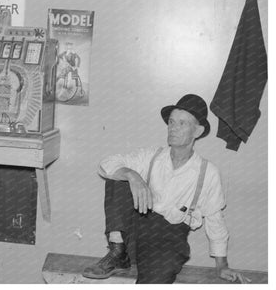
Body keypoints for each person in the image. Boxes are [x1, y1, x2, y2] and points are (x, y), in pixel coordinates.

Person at [82, 94, 251, 284]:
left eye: (182, 123)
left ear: (198, 131)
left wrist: (222, 265)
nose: (173, 128)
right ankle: (118, 252)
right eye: (171, 122)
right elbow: (106, 164)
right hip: (134, 229)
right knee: (119, 175)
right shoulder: (151, 156)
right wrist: (132, 175)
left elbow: (215, 220)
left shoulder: (207, 172)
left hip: (167, 240)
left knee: (154, 280)